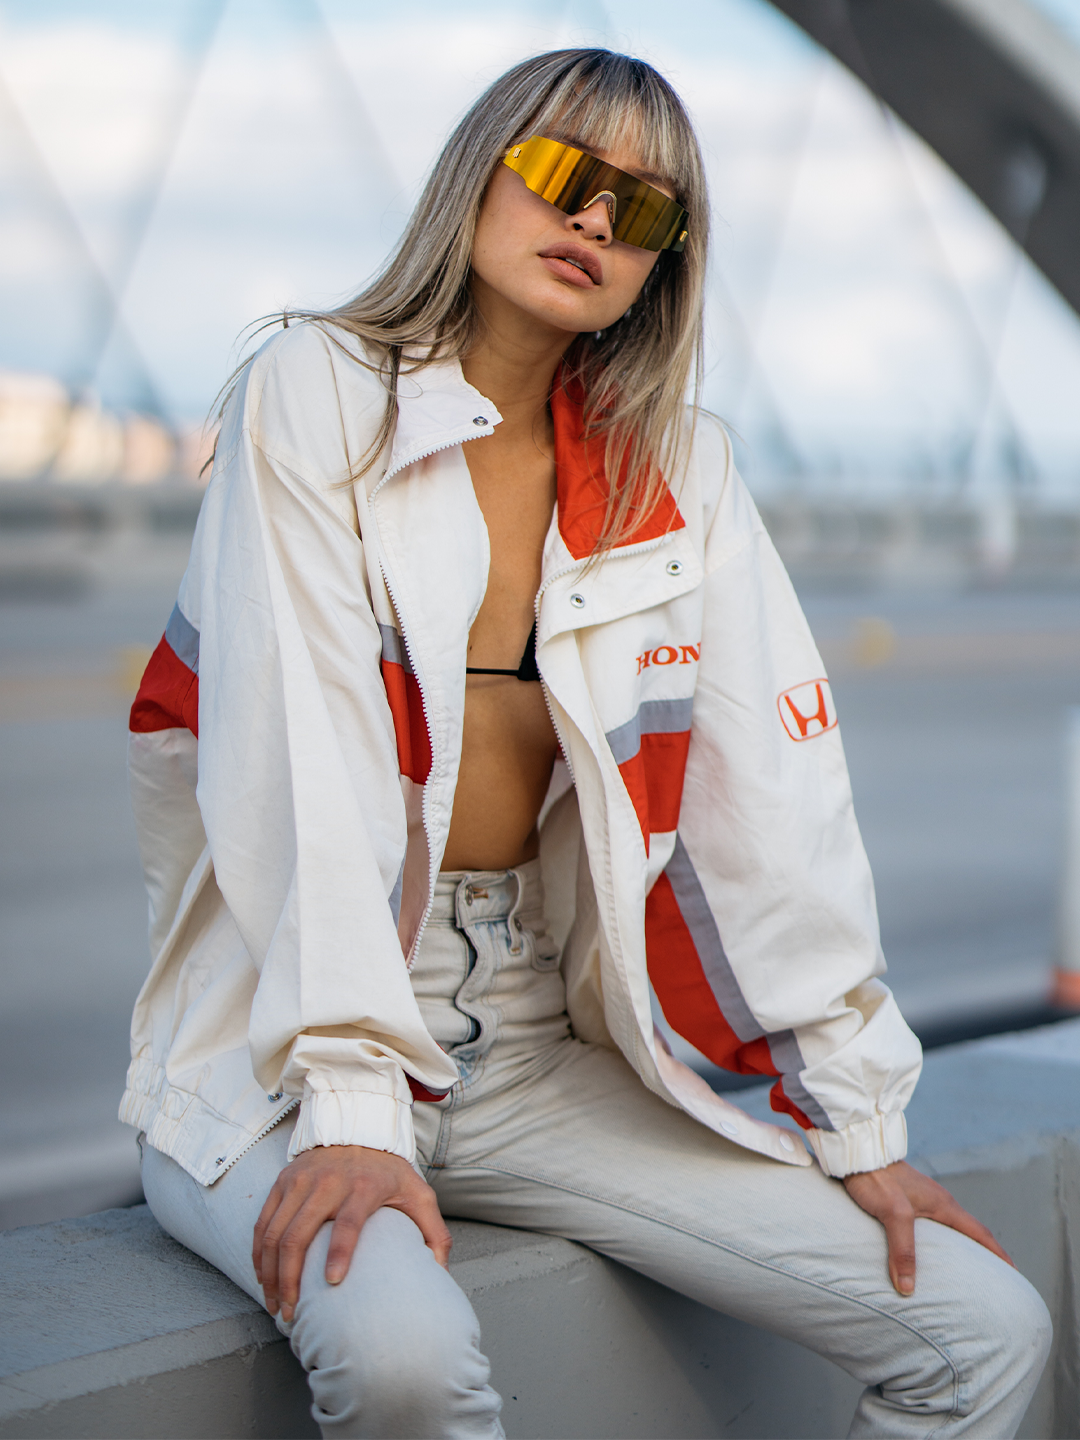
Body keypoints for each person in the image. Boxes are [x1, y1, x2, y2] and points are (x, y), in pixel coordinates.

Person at [123, 47, 1051, 1440]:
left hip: (541, 1046)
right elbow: (299, 767)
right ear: (481, 171)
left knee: (986, 1330)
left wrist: (859, 1132)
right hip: (285, 1047)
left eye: (652, 212)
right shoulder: (319, 392)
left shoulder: (680, 471)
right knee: (402, 1364)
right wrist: (357, 1111)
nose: (601, 224)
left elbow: (769, 808)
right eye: (568, 175)